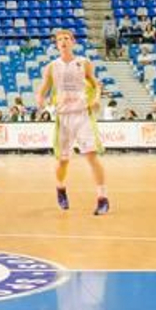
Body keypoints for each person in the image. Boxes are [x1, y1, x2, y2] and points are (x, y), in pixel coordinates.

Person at [35, 30, 110, 215]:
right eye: (59, 39)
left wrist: (97, 98)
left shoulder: (83, 63)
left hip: (82, 114)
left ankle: (102, 198)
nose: (63, 42)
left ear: (73, 42)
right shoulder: (51, 67)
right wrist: (40, 100)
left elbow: (96, 84)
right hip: (63, 116)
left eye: (66, 38)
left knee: (91, 156)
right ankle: (60, 188)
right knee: (63, 160)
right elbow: (42, 90)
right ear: (56, 44)